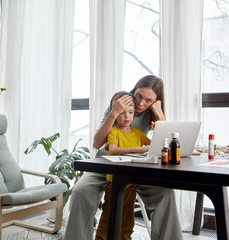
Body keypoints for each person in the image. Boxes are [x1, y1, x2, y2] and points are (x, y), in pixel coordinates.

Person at [64, 75, 183, 240]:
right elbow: (97, 143)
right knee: (81, 191)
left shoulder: (152, 113)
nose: (141, 103)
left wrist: (161, 117)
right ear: (134, 90)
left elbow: (165, 145)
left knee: (165, 194)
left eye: (148, 100)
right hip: (106, 163)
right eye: (139, 96)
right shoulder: (120, 102)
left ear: (156, 101)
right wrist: (113, 113)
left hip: (136, 165)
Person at [95, 91, 151, 240]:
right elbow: (113, 150)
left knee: (127, 217)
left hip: (131, 180)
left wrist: (158, 125)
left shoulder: (138, 133)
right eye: (122, 113)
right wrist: (140, 149)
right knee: (109, 214)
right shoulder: (113, 132)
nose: (127, 117)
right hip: (114, 180)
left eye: (131, 112)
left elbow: (154, 145)